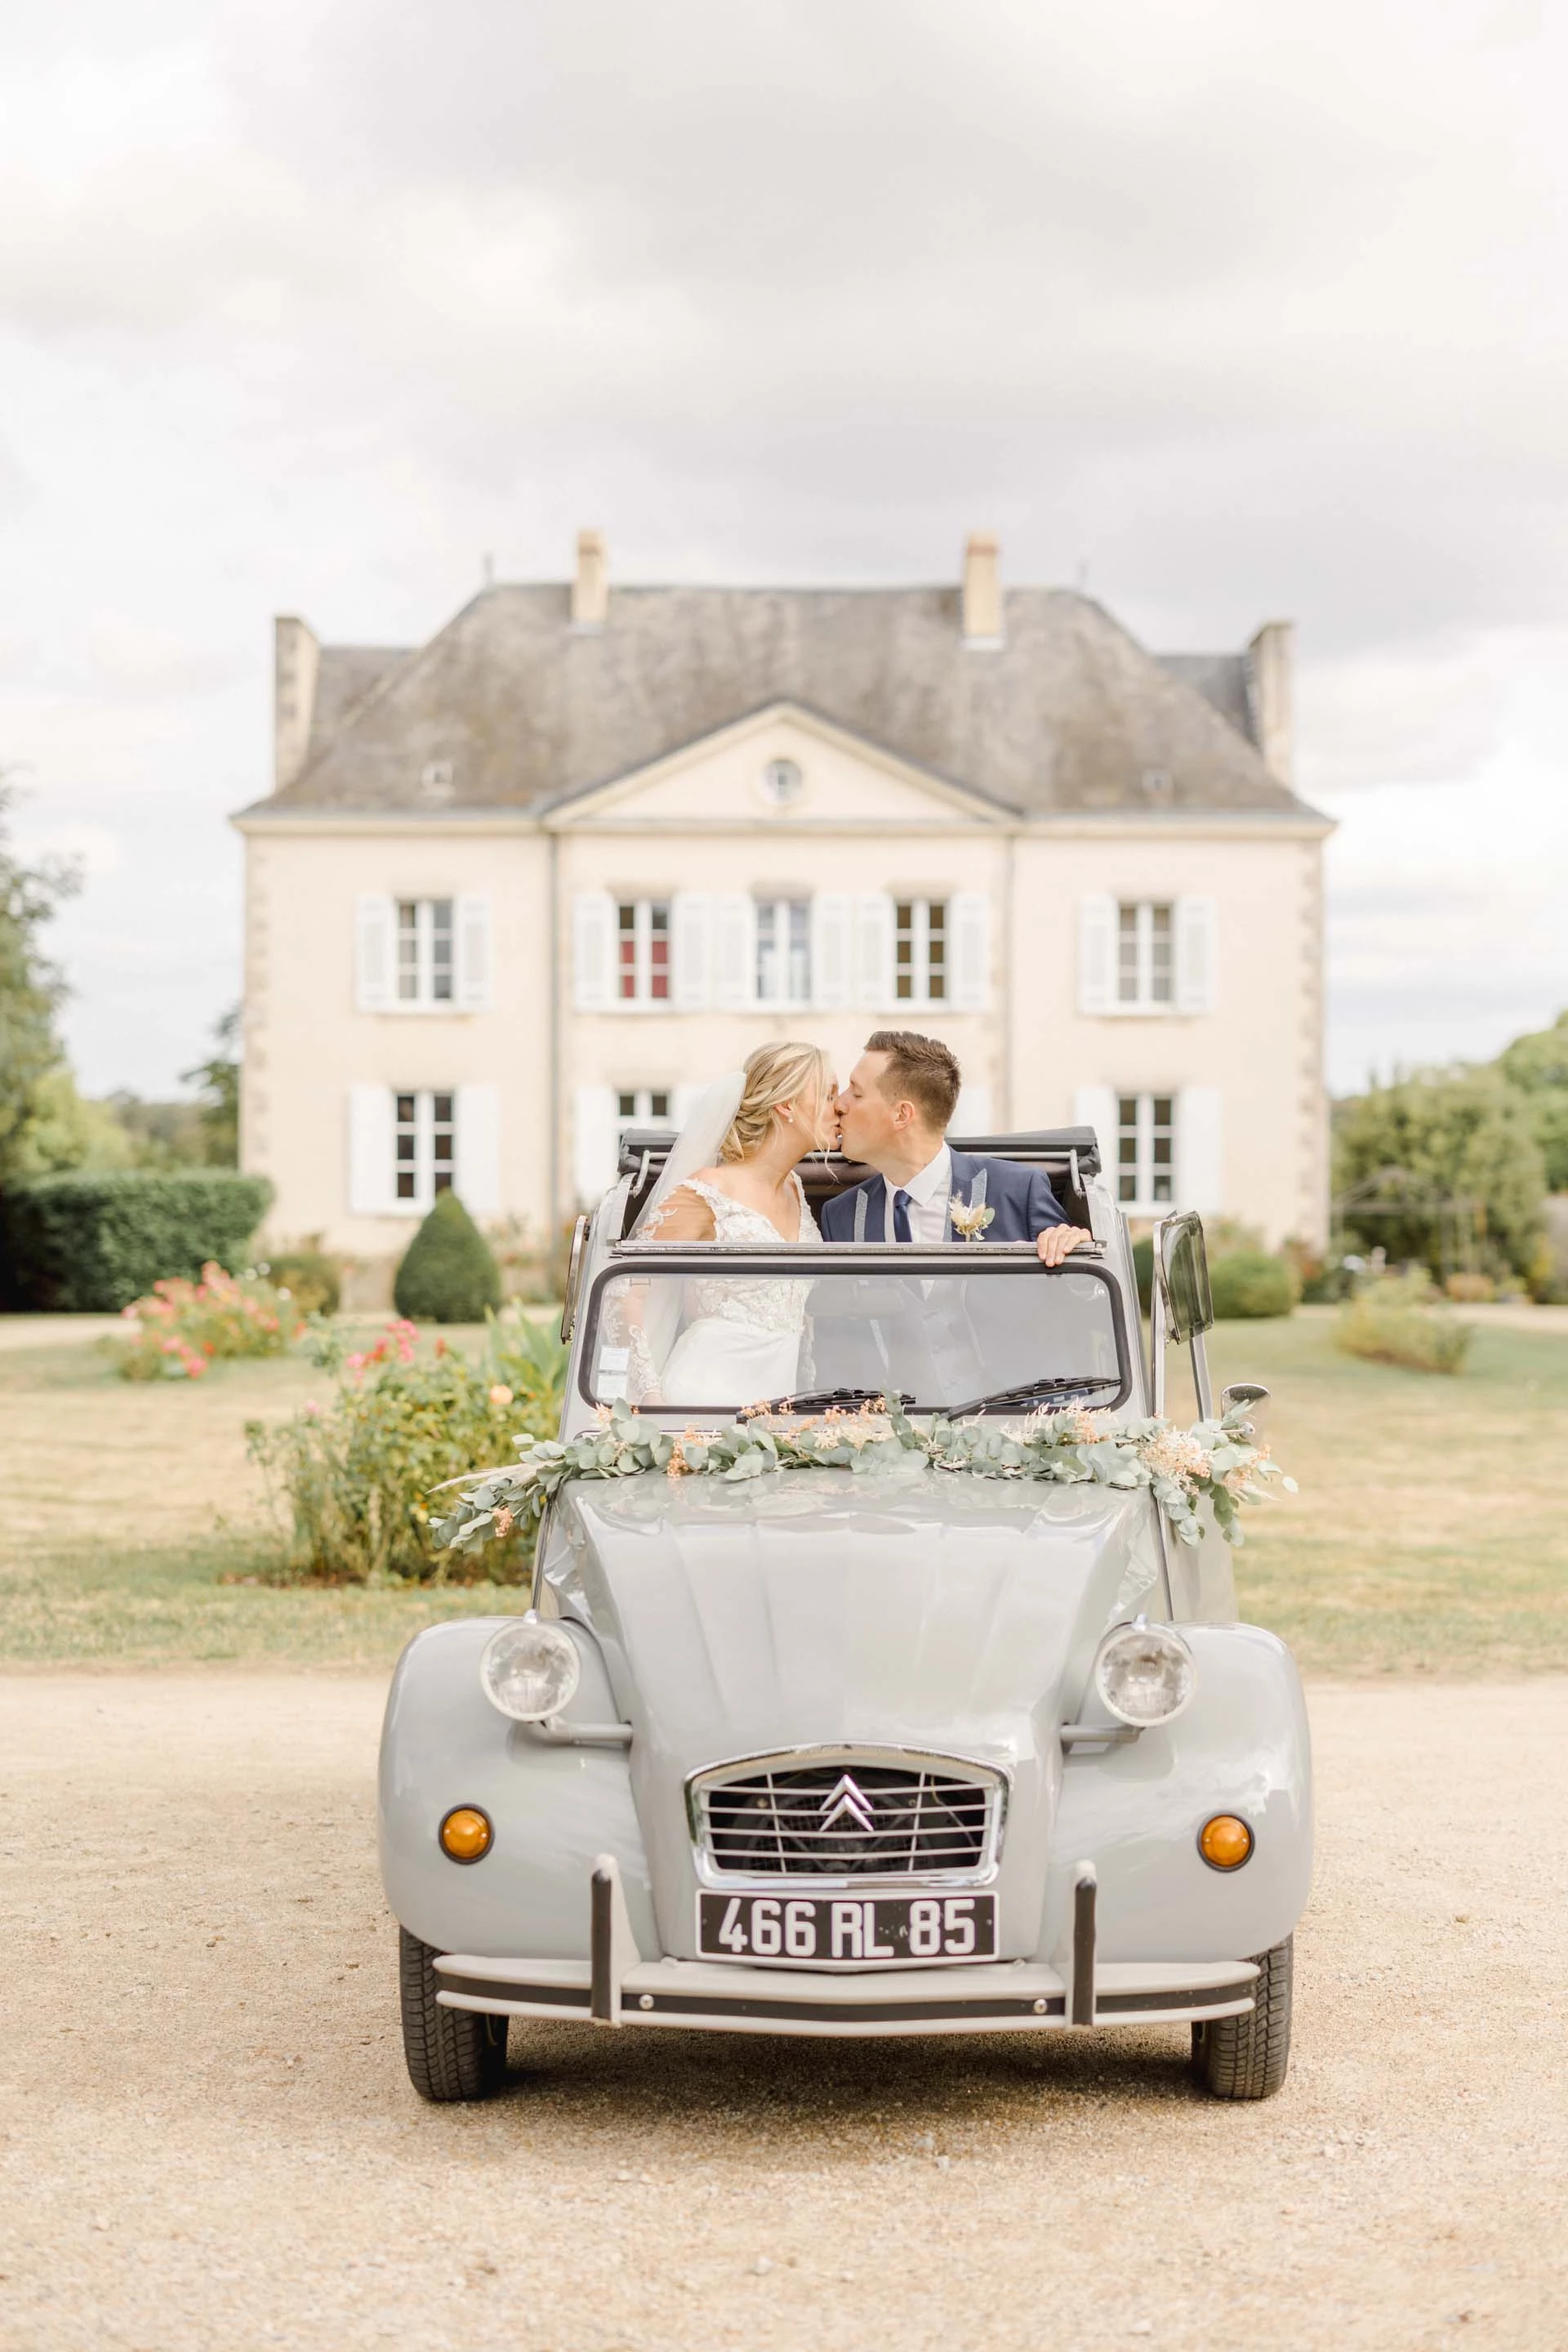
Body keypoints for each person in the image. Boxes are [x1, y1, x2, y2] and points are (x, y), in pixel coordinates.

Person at [620, 1041, 835, 1406]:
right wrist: (650, 1396)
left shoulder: (795, 1189)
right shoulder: (710, 1191)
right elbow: (624, 1292)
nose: (841, 1106)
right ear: (786, 1105)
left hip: (777, 1407)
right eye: (829, 1095)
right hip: (701, 1398)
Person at [822, 1031, 1094, 1262]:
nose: (840, 1105)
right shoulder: (840, 1216)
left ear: (901, 1115)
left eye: (855, 1093)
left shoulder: (1019, 1192)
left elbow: (1075, 1299)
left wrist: (1073, 1245)